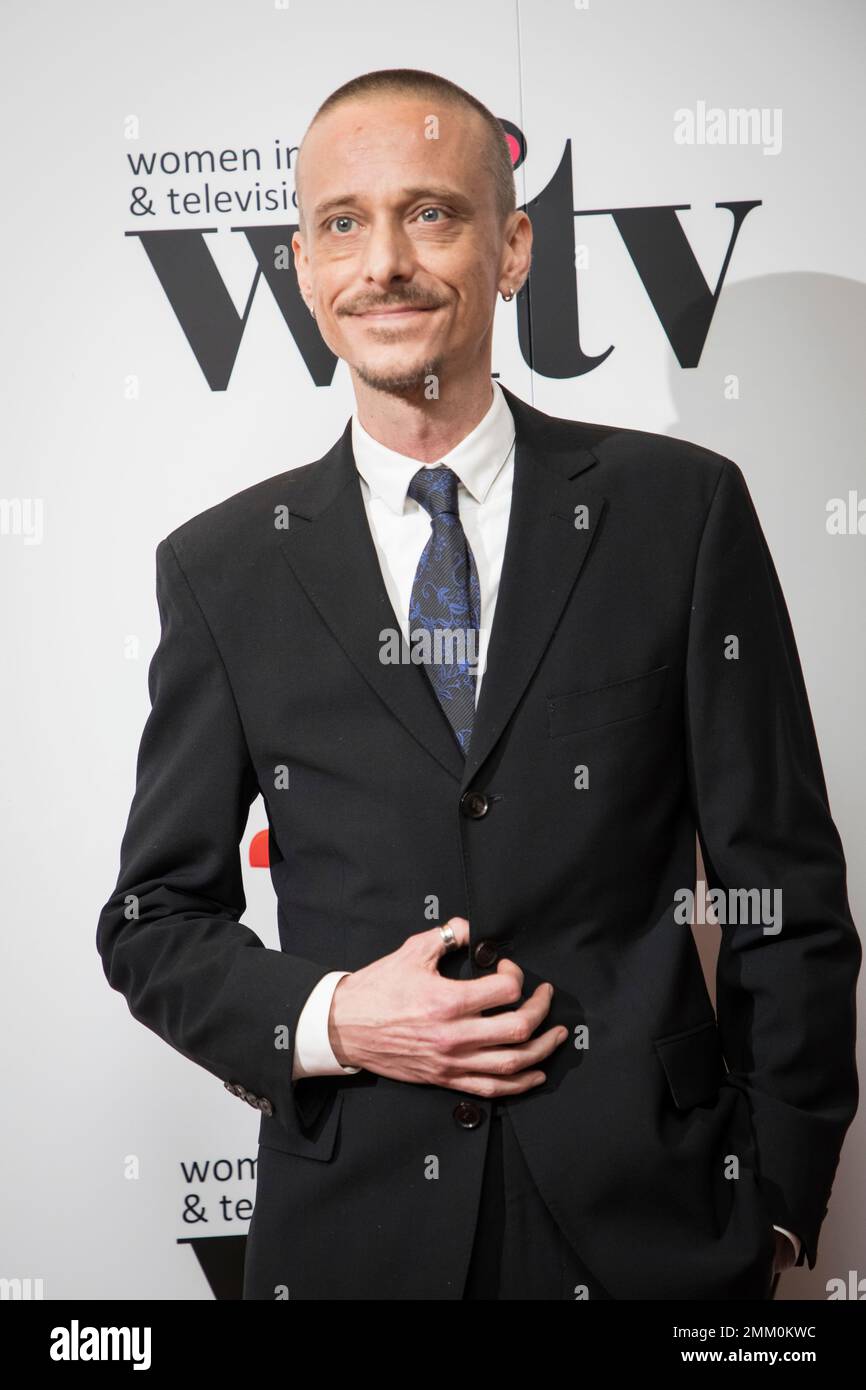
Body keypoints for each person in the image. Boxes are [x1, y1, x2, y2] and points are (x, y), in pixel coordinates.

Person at [96, 67, 860, 1300]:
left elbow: (784, 892)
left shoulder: (680, 513)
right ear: (302, 265)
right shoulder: (221, 570)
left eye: (432, 214)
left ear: (511, 248)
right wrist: (339, 1016)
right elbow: (152, 924)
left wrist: (771, 1211)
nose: (384, 259)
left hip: (656, 1237)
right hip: (351, 1241)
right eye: (343, 222)